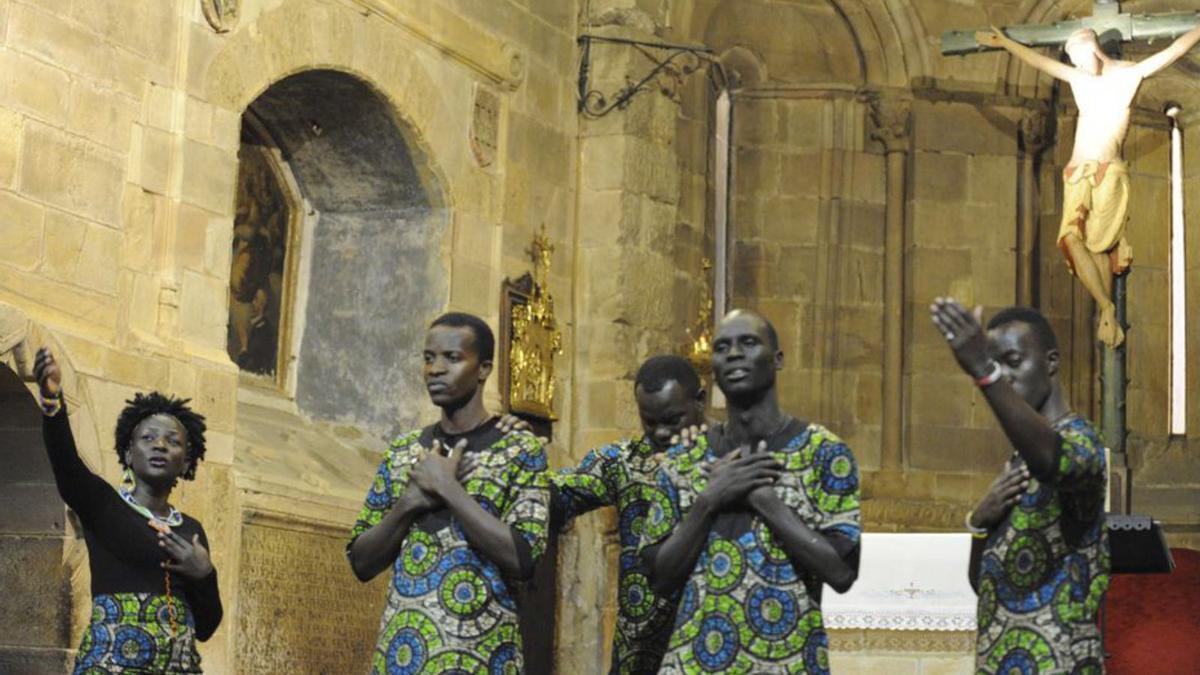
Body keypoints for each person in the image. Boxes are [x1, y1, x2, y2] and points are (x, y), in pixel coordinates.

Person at [639, 310, 861, 674]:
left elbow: (841, 574)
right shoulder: (684, 459)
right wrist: (709, 501)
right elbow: (661, 581)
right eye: (723, 347)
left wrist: (764, 501)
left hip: (789, 662)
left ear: (777, 359)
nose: (735, 354)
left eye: (749, 342)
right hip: (695, 663)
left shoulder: (825, 452)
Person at [346, 312, 550, 674]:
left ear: (483, 368)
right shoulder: (405, 451)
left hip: (482, 657)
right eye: (428, 358)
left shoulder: (520, 450)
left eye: (452, 358)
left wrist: (449, 490)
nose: (435, 369)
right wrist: (410, 503)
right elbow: (361, 562)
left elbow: (523, 558)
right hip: (403, 656)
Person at [978, 24, 1200, 347]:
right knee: (1069, 239)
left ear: (1094, 50)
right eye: (1074, 61)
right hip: (1076, 173)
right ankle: (1105, 307)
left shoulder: (1129, 76)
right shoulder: (1081, 79)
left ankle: (1107, 309)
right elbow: (1041, 64)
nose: (1078, 67)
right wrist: (1006, 44)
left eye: (1081, 59)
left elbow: (1175, 50)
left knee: (1097, 245)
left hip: (1108, 173)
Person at [930, 300, 1109, 673]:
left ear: (1051, 363)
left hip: (1057, 659)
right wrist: (978, 524)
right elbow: (986, 584)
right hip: (1000, 657)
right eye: (997, 366)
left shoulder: (1082, 441)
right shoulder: (1019, 459)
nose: (1005, 376)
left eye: (1013, 362)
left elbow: (1053, 462)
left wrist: (983, 371)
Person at [34, 347, 223, 673]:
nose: (160, 445)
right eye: (148, 438)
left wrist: (204, 575)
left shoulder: (192, 530)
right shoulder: (104, 506)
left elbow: (206, 627)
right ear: (129, 453)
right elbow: (67, 465)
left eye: (172, 441)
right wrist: (53, 404)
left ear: (187, 462)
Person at [552, 355, 708, 674]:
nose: (661, 433)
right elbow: (555, 496)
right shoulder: (624, 462)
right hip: (638, 651)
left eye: (673, 419)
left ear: (700, 401)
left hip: (704, 642)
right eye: (650, 421)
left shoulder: (726, 462)